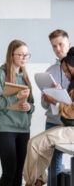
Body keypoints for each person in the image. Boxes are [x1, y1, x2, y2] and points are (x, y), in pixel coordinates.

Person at [23, 47, 74, 186]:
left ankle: (33, 182)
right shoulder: (72, 84)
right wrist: (58, 95)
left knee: (35, 144)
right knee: (35, 144)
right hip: (68, 127)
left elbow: (71, 111)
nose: (65, 74)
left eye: (67, 70)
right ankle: (36, 180)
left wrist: (55, 101)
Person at [0, 40, 35, 186]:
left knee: (18, 174)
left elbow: (32, 104)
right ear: (11, 55)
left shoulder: (25, 76)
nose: (24, 58)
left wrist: (29, 107)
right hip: (5, 129)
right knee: (9, 171)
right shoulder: (1, 74)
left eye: (26, 55)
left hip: (23, 129)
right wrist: (15, 97)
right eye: (20, 55)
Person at [41, 29, 70, 184]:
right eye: (54, 46)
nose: (58, 49)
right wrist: (47, 99)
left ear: (69, 43)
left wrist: (61, 98)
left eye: (61, 44)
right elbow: (43, 104)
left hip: (69, 122)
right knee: (53, 162)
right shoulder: (49, 71)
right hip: (52, 121)